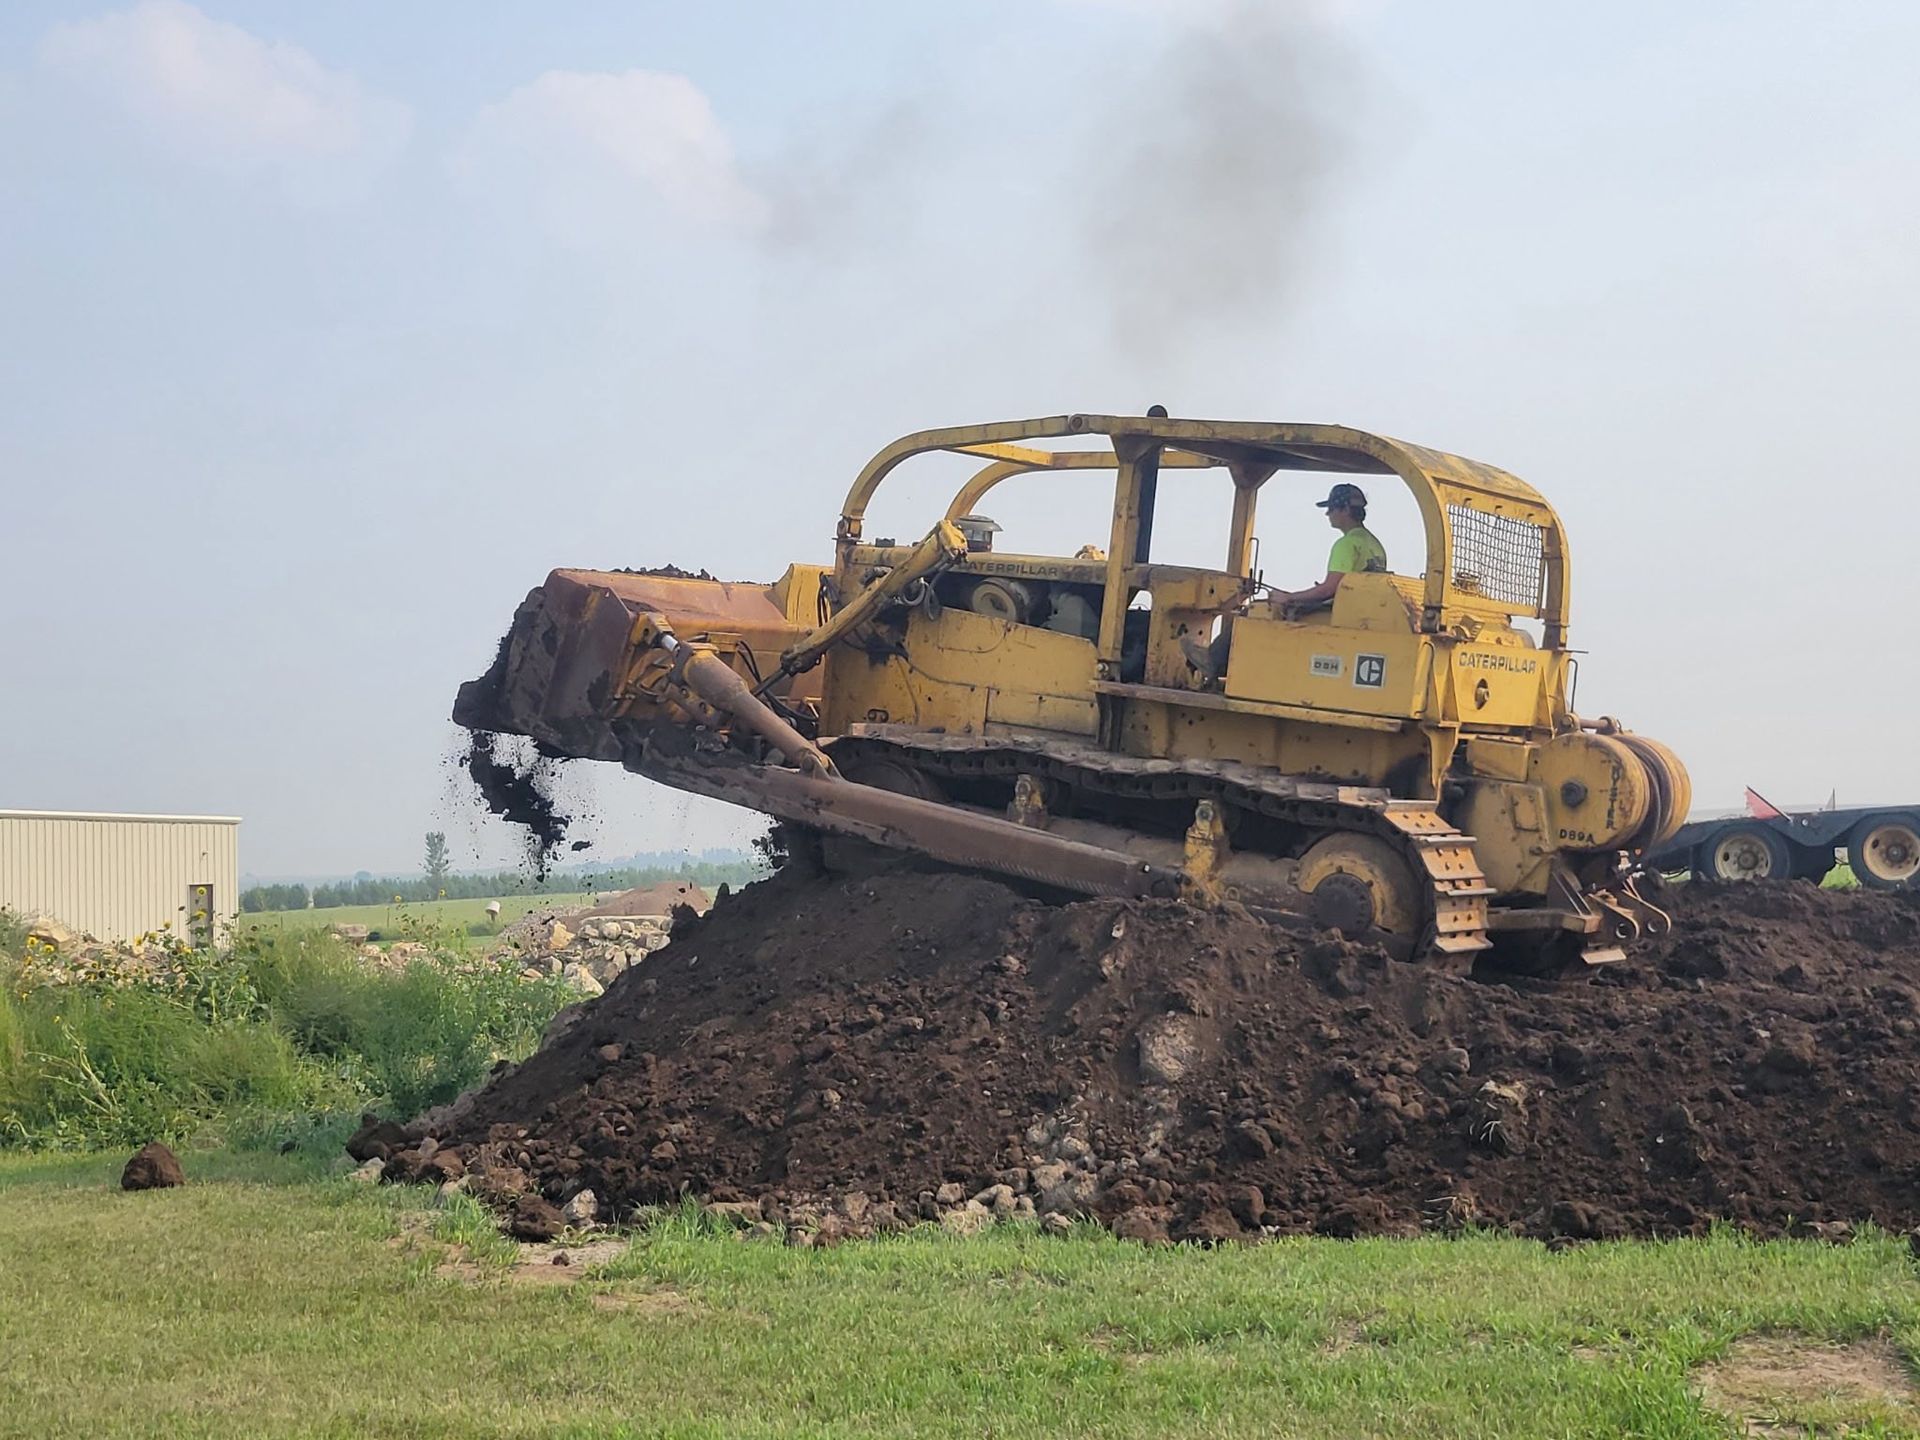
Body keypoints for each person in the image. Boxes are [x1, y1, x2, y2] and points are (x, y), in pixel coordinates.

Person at [1268, 482, 1387, 615]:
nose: (1327, 514)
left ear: (1346, 510)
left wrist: (1288, 597)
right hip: (1367, 613)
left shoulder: (1346, 544)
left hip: (1346, 616)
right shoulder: (1374, 543)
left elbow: (1329, 589)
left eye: (1331, 508)